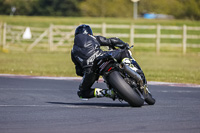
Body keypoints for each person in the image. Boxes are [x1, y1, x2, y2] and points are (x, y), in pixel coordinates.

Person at [71, 24, 146, 100]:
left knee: (82, 93)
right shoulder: (92, 37)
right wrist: (124, 45)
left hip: (90, 70)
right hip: (101, 56)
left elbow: (79, 71)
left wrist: (87, 72)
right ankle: (133, 68)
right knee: (124, 52)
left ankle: (108, 93)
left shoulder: (73, 51)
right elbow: (112, 41)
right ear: (89, 33)